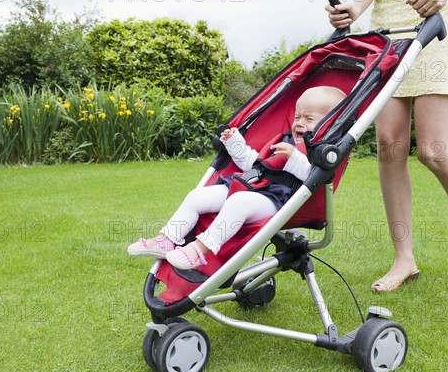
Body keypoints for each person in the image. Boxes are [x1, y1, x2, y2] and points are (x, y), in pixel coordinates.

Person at [325, 0, 448, 291]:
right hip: (390, 26)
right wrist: (355, 8)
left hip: (439, 15)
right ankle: (404, 259)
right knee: (390, 145)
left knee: (434, 149)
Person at [128, 86, 347, 270]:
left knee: (237, 203)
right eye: (297, 116)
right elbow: (255, 163)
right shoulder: (284, 139)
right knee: (197, 197)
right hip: (249, 184)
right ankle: (167, 239)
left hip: (275, 201)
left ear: (330, 124)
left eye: (308, 118)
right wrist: (235, 143)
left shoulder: (321, 154)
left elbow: (312, 178)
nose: (299, 123)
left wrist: (293, 158)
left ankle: (199, 250)